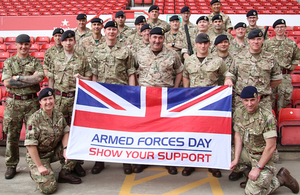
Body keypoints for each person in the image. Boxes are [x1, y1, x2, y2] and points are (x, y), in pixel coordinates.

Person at [230, 86, 299, 195]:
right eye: (246, 100)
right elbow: (238, 136)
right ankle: (251, 175)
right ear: (241, 100)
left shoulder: (267, 116)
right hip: (248, 152)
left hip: (263, 157)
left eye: (252, 100)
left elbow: (271, 147)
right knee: (226, 156)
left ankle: (281, 179)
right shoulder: (239, 112)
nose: (249, 104)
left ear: (258, 98)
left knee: (252, 192)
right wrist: (236, 159)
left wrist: (258, 168)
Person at [91, 21, 136, 174]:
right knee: (102, 128)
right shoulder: (97, 51)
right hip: (103, 95)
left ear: (117, 32)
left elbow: (131, 72)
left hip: (121, 94)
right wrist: (95, 95)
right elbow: (94, 74)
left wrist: (131, 94)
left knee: (124, 128)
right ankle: (100, 160)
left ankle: (126, 160)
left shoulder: (126, 51)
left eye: (113, 29)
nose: (111, 32)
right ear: (104, 31)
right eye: (108, 29)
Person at [135, 27, 182, 174]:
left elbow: (180, 70)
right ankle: (145, 159)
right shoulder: (139, 54)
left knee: (166, 129)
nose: (157, 41)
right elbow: (132, 71)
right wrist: (136, 89)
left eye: (160, 38)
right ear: (149, 37)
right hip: (146, 97)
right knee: (146, 129)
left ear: (163, 39)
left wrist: (174, 88)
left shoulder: (172, 54)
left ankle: (167, 159)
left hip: (165, 97)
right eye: (154, 37)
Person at [48, 30, 92, 177]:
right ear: (61, 42)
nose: (68, 43)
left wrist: (81, 77)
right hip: (59, 99)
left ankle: (77, 163)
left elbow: (90, 79)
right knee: (63, 132)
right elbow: (52, 80)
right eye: (65, 40)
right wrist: (50, 97)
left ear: (74, 41)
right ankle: (65, 163)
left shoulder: (82, 59)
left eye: (71, 40)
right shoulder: (55, 58)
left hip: (76, 99)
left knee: (77, 131)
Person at [182, 33, 227, 177]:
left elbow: (227, 74)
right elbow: (185, 76)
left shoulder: (217, 61)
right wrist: (186, 94)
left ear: (209, 45)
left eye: (205, 43)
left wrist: (228, 81)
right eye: (200, 43)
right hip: (194, 103)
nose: (202, 46)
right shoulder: (189, 61)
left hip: (212, 103)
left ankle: (213, 163)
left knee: (211, 133)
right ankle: (191, 163)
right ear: (195, 44)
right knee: (193, 133)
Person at [2, 34, 45, 179]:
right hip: (13, 103)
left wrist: (19, 78)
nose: (24, 47)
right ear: (16, 45)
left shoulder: (35, 61)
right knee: (12, 136)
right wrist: (30, 80)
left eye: (26, 44)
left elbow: (39, 78)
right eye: (21, 44)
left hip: (32, 102)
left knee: (32, 136)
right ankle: (11, 165)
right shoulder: (9, 62)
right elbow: (7, 83)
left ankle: (33, 165)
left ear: (30, 45)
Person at [25, 88, 81, 194]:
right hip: (39, 156)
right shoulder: (34, 119)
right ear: (40, 102)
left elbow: (65, 131)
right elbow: (30, 145)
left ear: (54, 99)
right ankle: (35, 171)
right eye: (45, 99)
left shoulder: (58, 114)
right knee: (49, 189)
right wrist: (40, 166)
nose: (48, 102)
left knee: (74, 147)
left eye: (50, 99)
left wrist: (65, 149)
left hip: (53, 150)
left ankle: (64, 173)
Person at [224, 29, 282, 112]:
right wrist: (228, 79)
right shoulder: (239, 57)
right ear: (248, 41)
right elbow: (230, 74)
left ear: (263, 40)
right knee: (241, 124)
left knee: (264, 124)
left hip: (263, 100)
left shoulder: (270, 58)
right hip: (243, 101)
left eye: (259, 39)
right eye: (253, 39)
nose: (256, 42)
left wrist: (263, 87)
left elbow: (278, 79)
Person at [264, 19, 300, 114]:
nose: (280, 29)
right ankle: (270, 124)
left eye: (282, 27)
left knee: (283, 102)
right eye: (278, 27)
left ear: (285, 28)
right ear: (274, 29)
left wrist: (290, 69)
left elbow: (296, 58)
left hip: (285, 76)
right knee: (268, 101)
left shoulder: (292, 44)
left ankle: (280, 121)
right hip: (271, 76)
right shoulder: (268, 44)